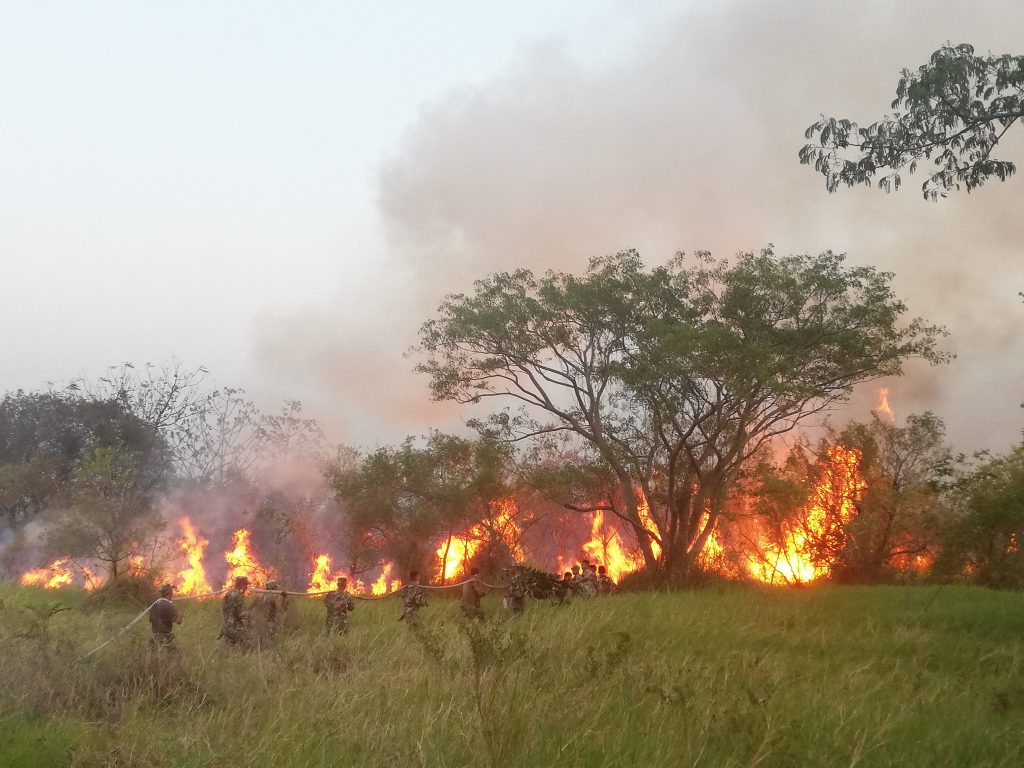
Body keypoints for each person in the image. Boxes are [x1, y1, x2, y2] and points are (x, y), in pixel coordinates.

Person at [251, 579, 286, 647]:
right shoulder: (273, 597)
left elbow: (251, 607)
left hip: (258, 622)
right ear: (273, 588)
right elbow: (280, 609)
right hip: (269, 623)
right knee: (270, 641)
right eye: (276, 587)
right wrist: (284, 598)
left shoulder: (259, 596)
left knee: (260, 640)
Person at [148, 583, 181, 650]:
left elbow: (152, 619)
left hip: (154, 637)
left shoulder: (155, 604)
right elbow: (178, 621)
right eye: (172, 592)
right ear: (170, 594)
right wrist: (180, 615)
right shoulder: (168, 605)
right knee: (174, 656)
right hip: (164, 638)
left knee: (154, 656)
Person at [221, 575, 251, 648]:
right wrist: (247, 626)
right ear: (242, 585)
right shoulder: (238, 595)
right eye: (246, 585)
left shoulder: (228, 593)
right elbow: (242, 613)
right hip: (236, 628)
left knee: (230, 651)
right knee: (245, 648)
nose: (246, 587)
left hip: (226, 626)